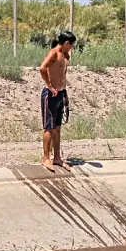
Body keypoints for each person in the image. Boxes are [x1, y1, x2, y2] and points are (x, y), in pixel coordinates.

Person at [38, 31, 76, 171]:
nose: (72, 47)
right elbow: (42, 68)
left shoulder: (66, 56)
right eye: (71, 45)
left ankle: (57, 158)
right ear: (66, 43)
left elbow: (63, 76)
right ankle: (46, 158)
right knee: (49, 127)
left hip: (61, 94)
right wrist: (49, 86)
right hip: (50, 94)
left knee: (57, 128)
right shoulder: (53, 53)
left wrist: (64, 93)